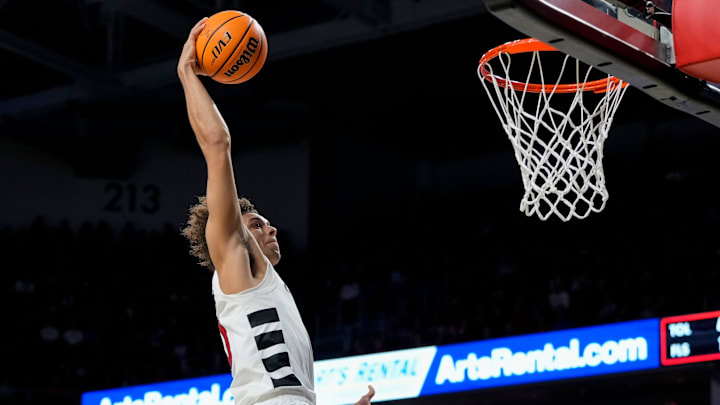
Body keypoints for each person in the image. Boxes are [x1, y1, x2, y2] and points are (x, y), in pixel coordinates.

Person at [177, 18, 375, 405]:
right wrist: (186, 72)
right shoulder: (234, 263)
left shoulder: (266, 290)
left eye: (267, 224)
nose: (271, 230)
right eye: (256, 224)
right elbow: (218, 145)